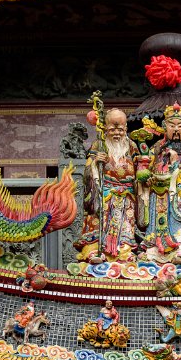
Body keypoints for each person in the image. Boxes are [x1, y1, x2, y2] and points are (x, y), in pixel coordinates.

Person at [137, 103, 181, 264]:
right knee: (157, 225)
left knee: (180, 230)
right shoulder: (156, 148)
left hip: (179, 199)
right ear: (164, 126)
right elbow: (145, 168)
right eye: (171, 125)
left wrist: (174, 166)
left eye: (179, 125)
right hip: (158, 195)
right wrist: (146, 178)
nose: (175, 129)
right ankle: (154, 248)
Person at [76, 108, 140, 262]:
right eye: (112, 129)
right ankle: (93, 250)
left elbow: (140, 168)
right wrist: (96, 162)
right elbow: (88, 170)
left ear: (126, 128)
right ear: (105, 128)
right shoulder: (99, 145)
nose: (117, 133)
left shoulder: (131, 146)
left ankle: (124, 251)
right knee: (99, 222)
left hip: (127, 194)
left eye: (120, 129)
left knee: (126, 225)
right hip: (105, 192)